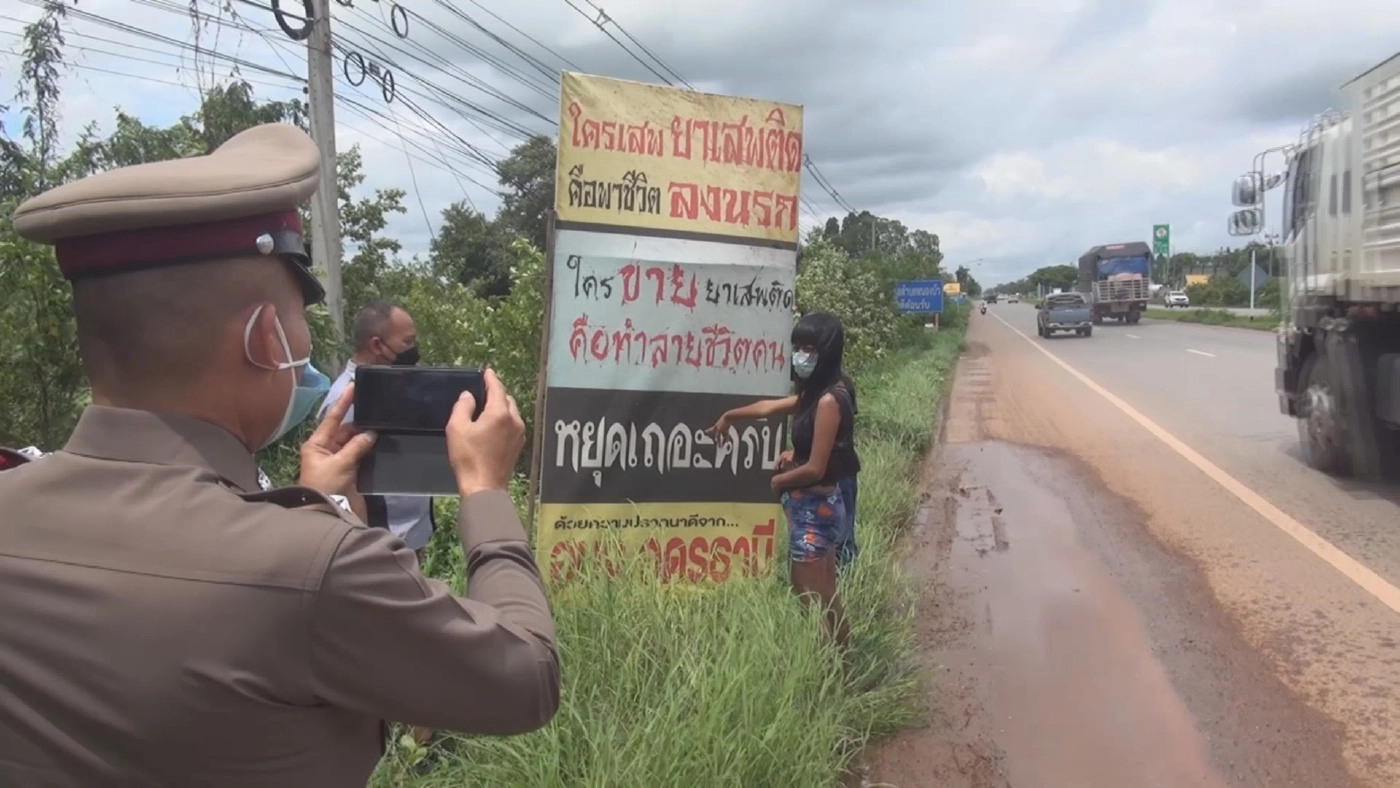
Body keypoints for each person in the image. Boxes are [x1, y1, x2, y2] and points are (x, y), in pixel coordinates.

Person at [0, 123, 560, 786]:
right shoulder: (313, 569)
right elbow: (526, 676)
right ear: (266, 337)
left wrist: (320, 507)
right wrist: (488, 495)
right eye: (300, 315)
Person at [709, 312, 859, 644]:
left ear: (827, 351)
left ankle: (841, 662)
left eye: (810, 348)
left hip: (815, 508)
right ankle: (835, 659)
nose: (801, 355)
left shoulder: (830, 400)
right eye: (798, 347)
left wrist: (780, 482)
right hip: (813, 507)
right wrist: (729, 416)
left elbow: (816, 468)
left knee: (817, 595)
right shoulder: (817, 396)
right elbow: (768, 408)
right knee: (813, 591)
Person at [323, 299, 434, 560]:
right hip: (382, 548)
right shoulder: (347, 401)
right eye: (407, 343)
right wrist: (369, 551)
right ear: (376, 345)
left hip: (405, 539)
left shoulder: (388, 385)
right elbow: (341, 489)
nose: (413, 351)